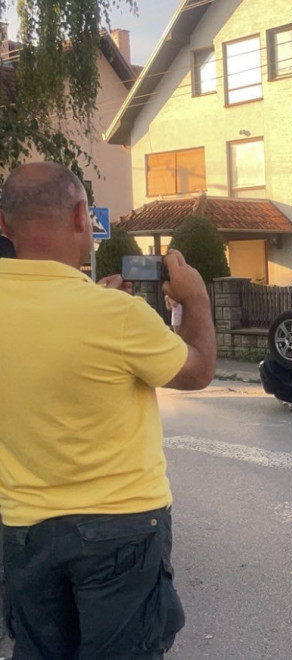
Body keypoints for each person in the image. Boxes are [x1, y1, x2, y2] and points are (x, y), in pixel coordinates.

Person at [0, 162, 217, 658]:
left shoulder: (104, 310)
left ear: (4, 224)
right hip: (121, 527)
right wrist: (196, 299)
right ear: (82, 216)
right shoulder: (117, 315)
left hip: (23, 528)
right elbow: (198, 369)